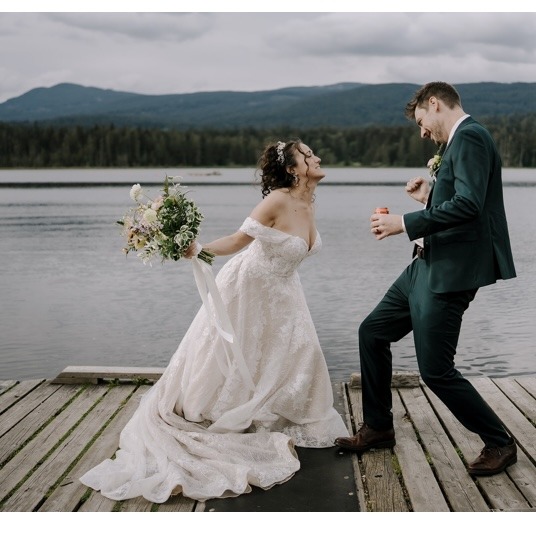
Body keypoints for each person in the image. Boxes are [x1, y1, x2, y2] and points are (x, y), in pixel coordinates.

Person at [80, 139, 348, 503]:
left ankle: (285, 411)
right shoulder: (278, 200)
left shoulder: (308, 200)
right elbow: (239, 240)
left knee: (300, 354)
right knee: (233, 355)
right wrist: (200, 248)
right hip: (250, 288)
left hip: (285, 294)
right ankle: (218, 409)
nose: (316, 156)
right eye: (307, 154)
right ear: (293, 169)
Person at [335, 81, 518, 477]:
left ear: (434, 104)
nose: (422, 132)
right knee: (372, 332)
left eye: (421, 121)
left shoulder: (470, 137)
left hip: (449, 274)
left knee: (436, 370)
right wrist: (429, 196)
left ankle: (501, 442)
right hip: (423, 265)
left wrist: (404, 222)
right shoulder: (458, 142)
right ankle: (379, 426)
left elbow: (470, 205)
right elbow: (464, 199)